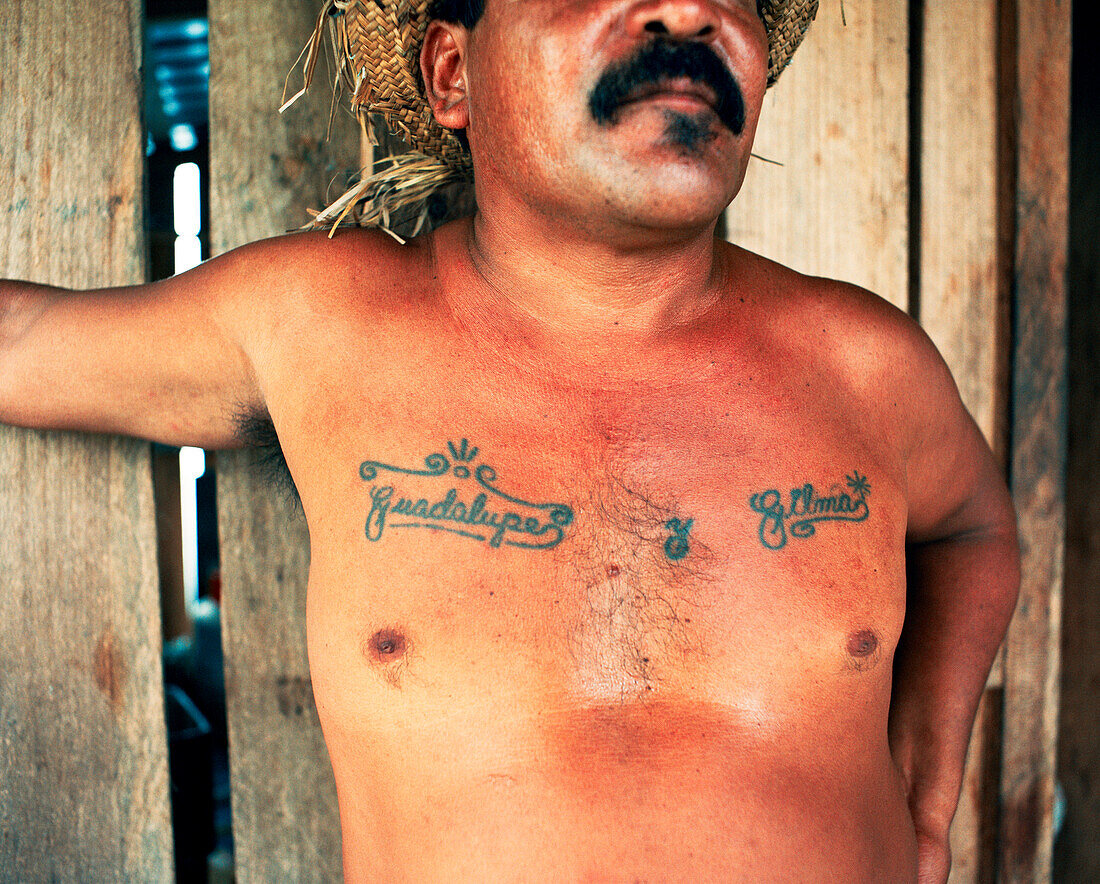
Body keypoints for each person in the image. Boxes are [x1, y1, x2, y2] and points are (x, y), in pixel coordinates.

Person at [0, 0, 1020, 881]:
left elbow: (971, 531)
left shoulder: (867, 365)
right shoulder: (316, 324)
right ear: (452, 72)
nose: (688, 12)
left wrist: (926, 809)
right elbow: (26, 342)